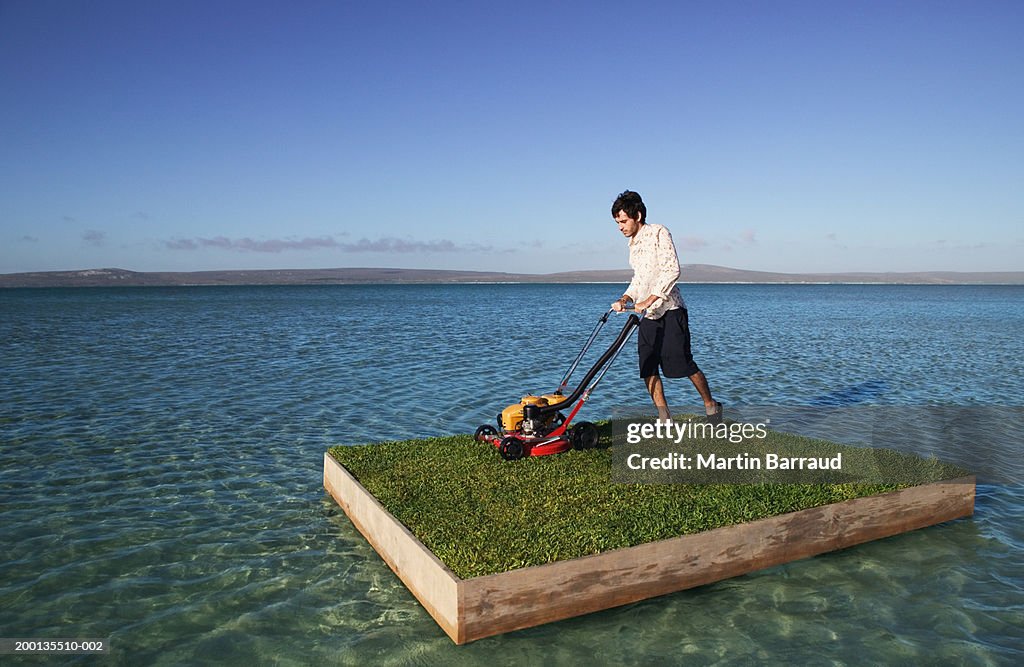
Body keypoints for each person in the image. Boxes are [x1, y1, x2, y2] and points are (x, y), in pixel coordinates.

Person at [609, 190, 723, 424]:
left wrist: (649, 300)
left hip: (671, 310)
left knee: (681, 363)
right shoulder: (632, 244)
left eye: (623, 221)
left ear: (637, 215)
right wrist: (625, 299)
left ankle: (711, 406)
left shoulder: (659, 232)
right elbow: (639, 278)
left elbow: (672, 270)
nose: (620, 227)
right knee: (647, 366)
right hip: (648, 315)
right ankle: (664, 418)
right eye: (617, 223)